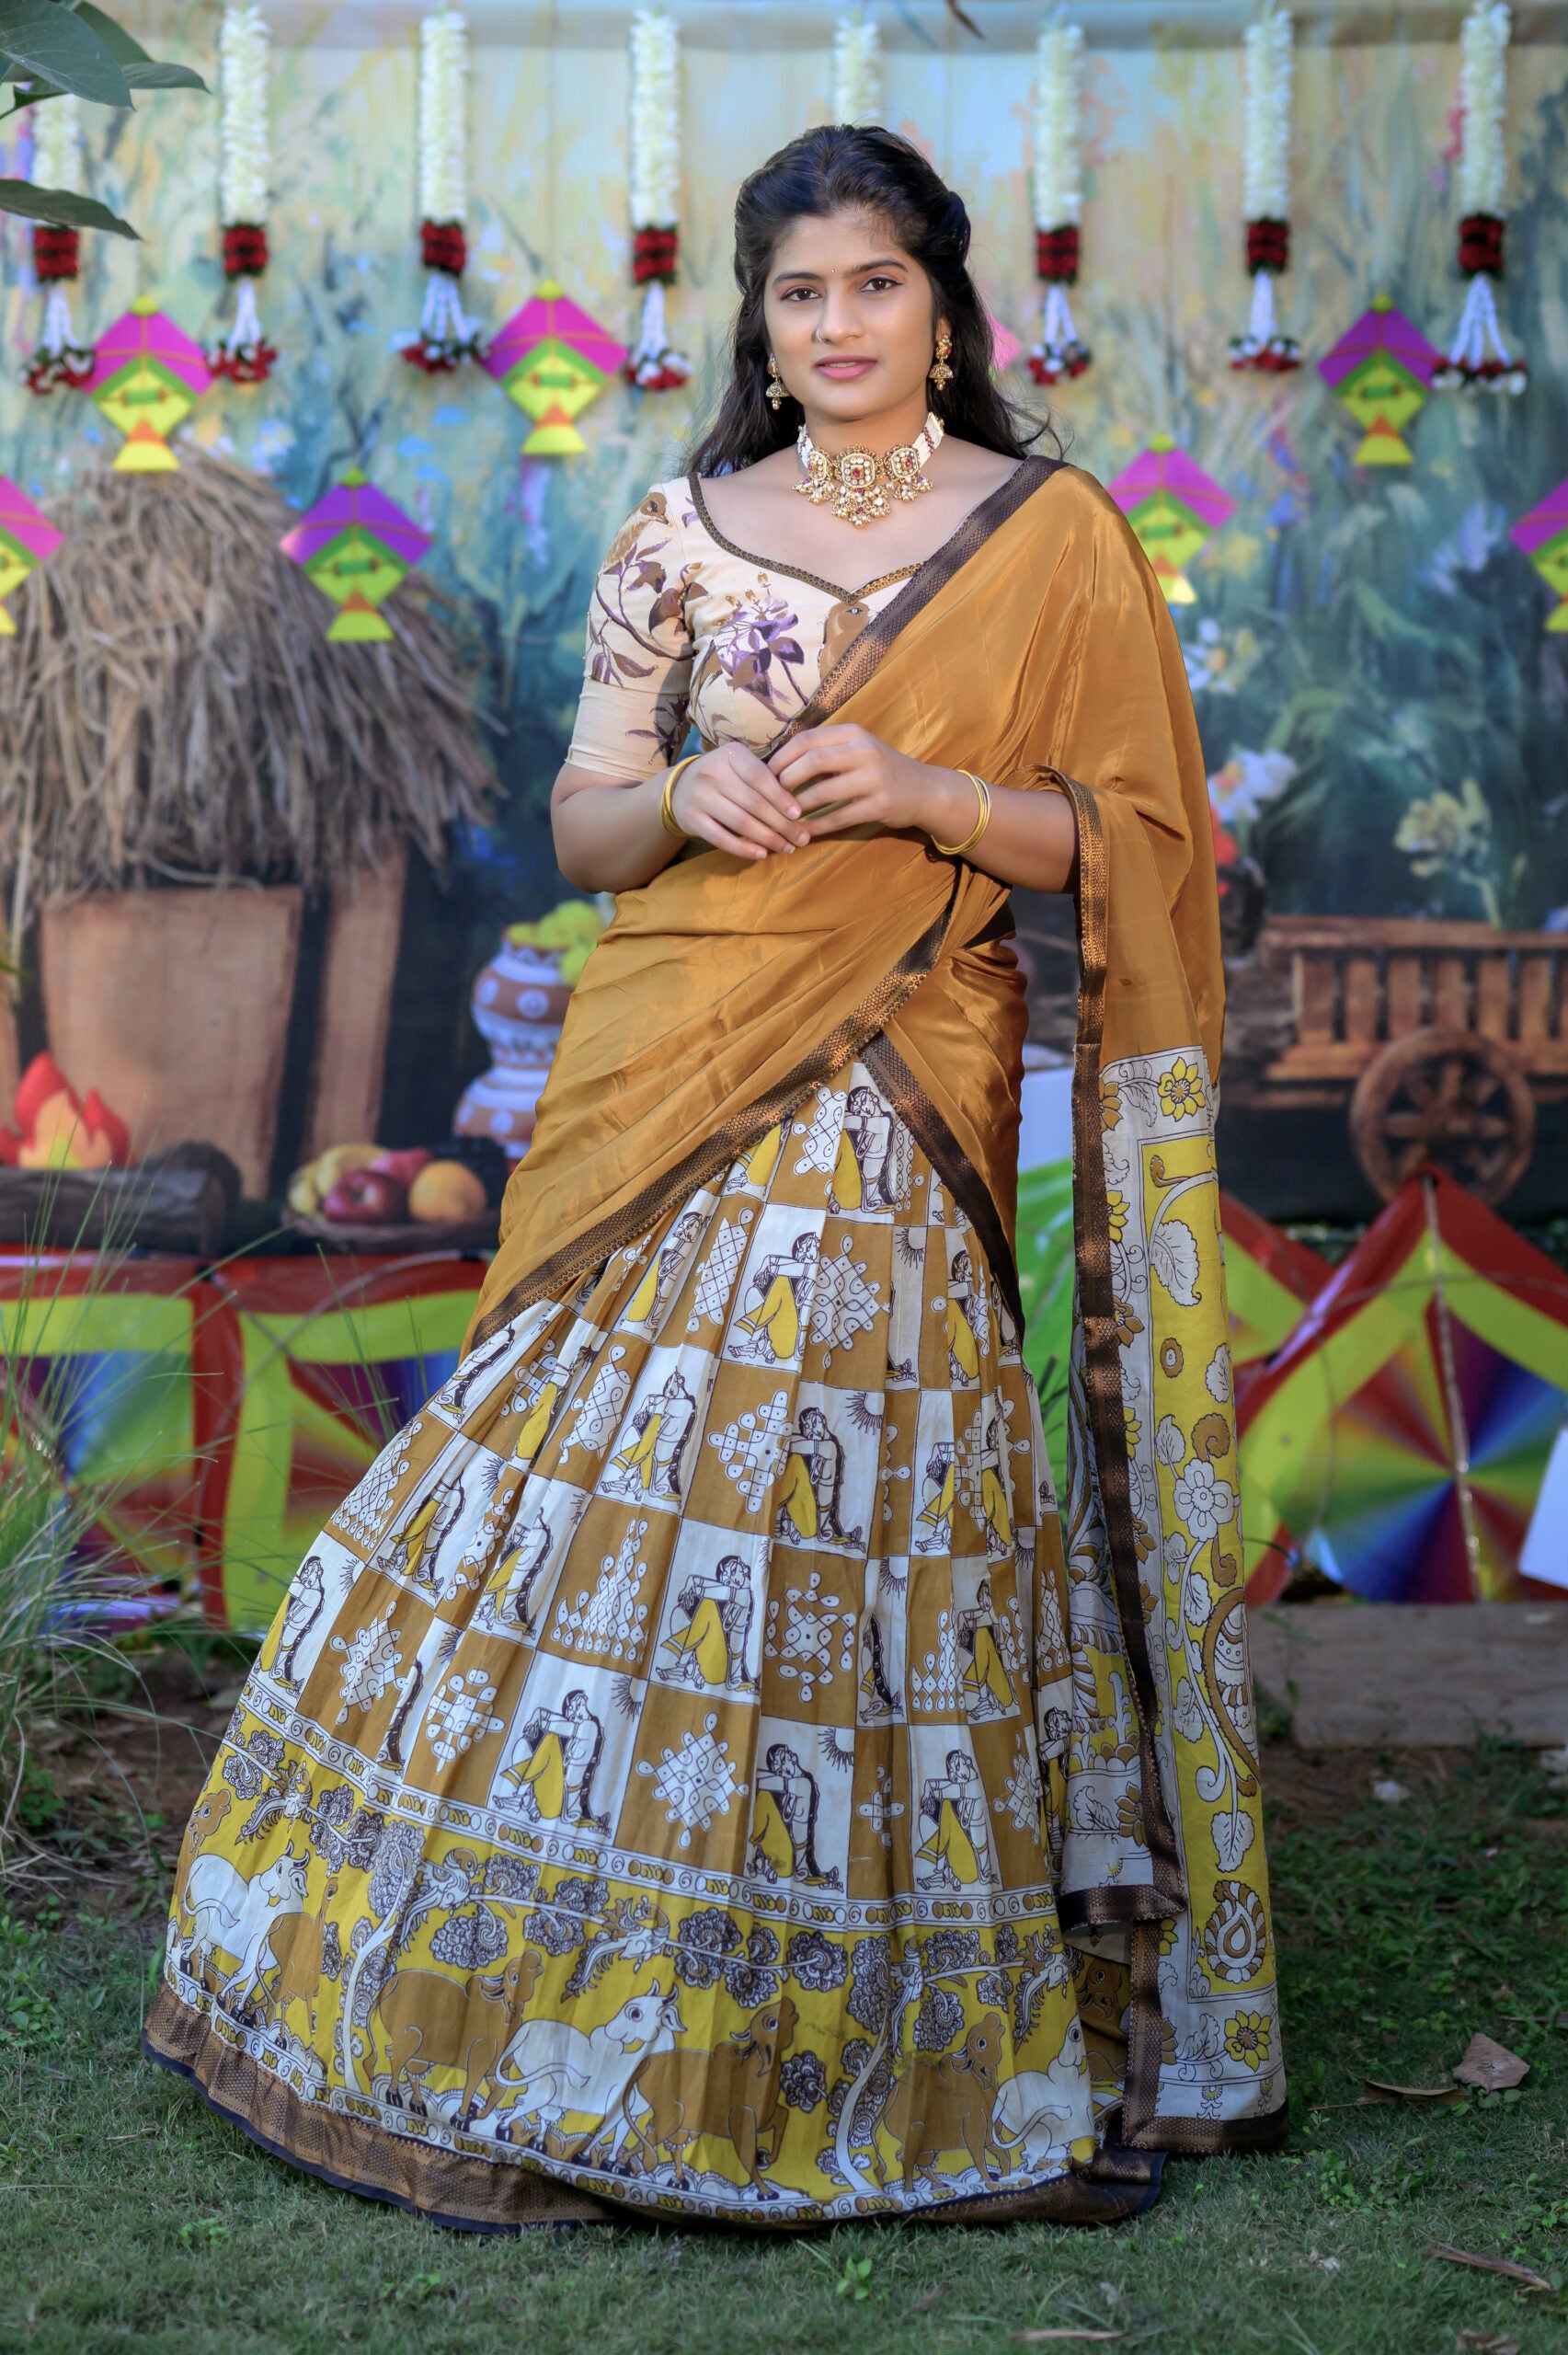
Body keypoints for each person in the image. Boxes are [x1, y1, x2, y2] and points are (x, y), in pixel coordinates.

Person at [147, 125, 1286, 2233]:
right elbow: (582, 826)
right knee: (591, 1498)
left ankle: (856, 2029)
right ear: (757, 320)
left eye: (875, 283)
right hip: (665, 1061)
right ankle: (533, 1994)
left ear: (942, 305)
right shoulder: (677, 533)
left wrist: (936, 788)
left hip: (906, 1076)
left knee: (858, 1506)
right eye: (799, 291)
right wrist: (685, 788)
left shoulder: (1051, 536)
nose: (838, 325)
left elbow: (1136, 842)